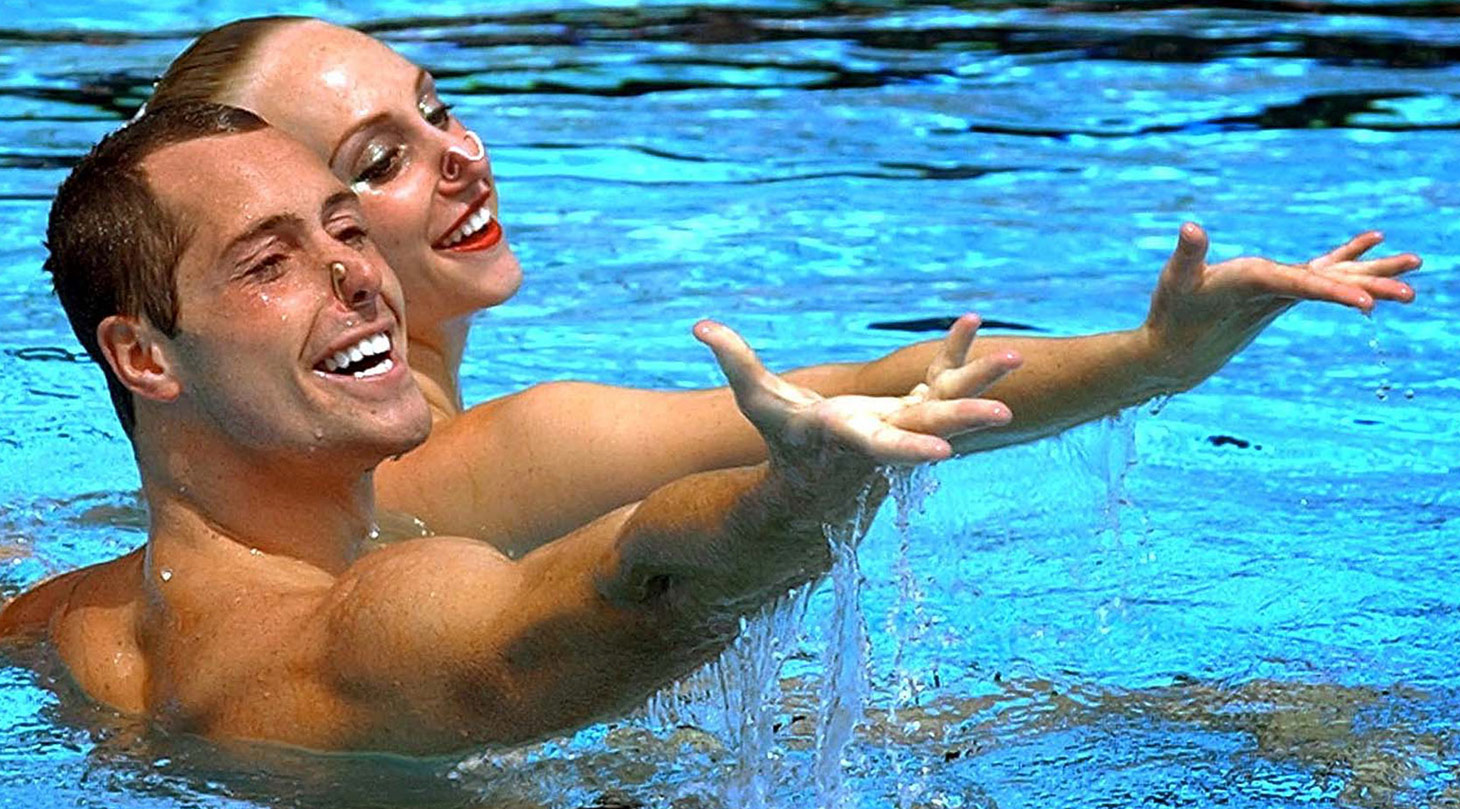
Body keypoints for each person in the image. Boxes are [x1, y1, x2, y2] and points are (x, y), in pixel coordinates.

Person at [142, 17, 1423, 557]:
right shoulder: (498, 452)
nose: (464, 157)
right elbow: (879, 390)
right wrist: (1152, 355)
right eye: (383, 163)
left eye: (439, 110)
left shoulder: (229, 487)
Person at [0, 102, 1021, 754]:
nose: (357, 271)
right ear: (143, 356)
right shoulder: (344, 625)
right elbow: (602, 599)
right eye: (269, 263)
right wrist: (787, 502)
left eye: (346, 228)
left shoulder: (62, 618)